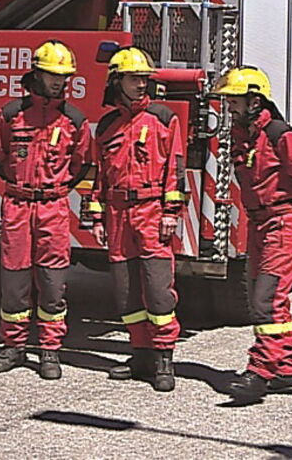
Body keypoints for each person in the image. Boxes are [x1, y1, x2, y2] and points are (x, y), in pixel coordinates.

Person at [212, 66, 292, 404]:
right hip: (260, 225)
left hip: (283, 225)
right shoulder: (244, 134)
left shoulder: (281, 135)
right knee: (271, 301)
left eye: (234, 101)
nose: (229, 108)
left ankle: (260, 372)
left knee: (266, 301)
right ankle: (284, 371)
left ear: (254, 101)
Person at [0, 40, 92, 380]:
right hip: (17, 203)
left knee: (52, 281)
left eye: (64, 77)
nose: (60, 82)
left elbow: (81, 164)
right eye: (53, 76)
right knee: (14, 280)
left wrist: (54, 189)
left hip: (53, 205)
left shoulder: (75, 120)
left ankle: (49, 350)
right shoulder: (11, 114)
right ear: (37, 74)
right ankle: (14, 347)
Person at [89, 47, 186, 392]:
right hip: (116, 216)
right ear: (117, 81)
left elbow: (174, 168)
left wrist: (171, 212)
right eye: (134, 79)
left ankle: (163, 359)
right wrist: (96, 217)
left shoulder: (162, 118)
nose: (141, 84)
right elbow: (98, 174)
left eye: (145, 78)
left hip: (151, 213)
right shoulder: (107, 125)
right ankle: (141, 354)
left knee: (158, 291)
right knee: (127, 291)